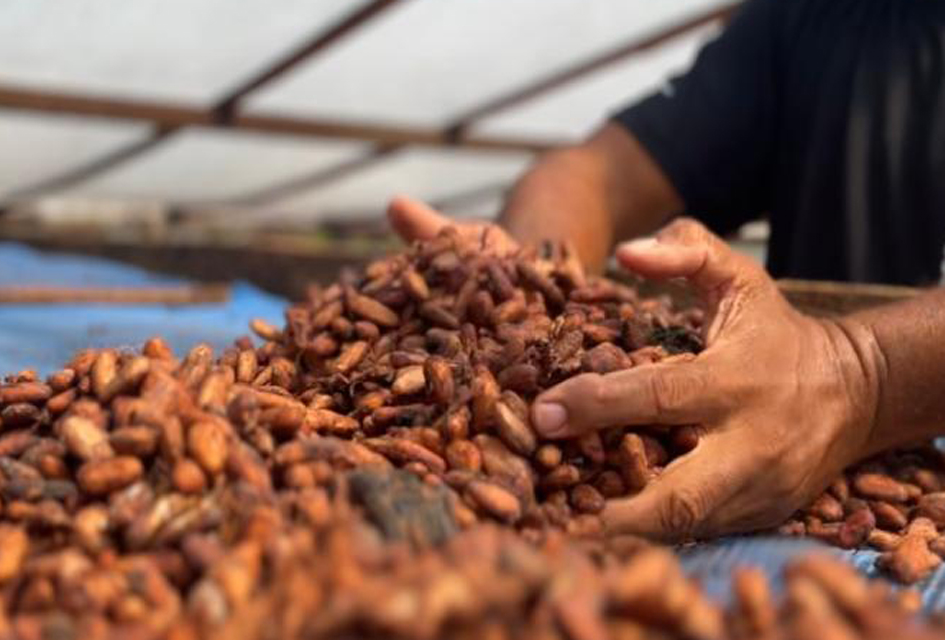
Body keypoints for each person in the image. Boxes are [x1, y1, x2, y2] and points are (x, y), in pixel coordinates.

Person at [385, 0, 945, 541]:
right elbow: (595, 175)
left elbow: (853, 372)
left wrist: (861, 372)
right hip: (774, 422)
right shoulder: (814, 15)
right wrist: (533, 278)